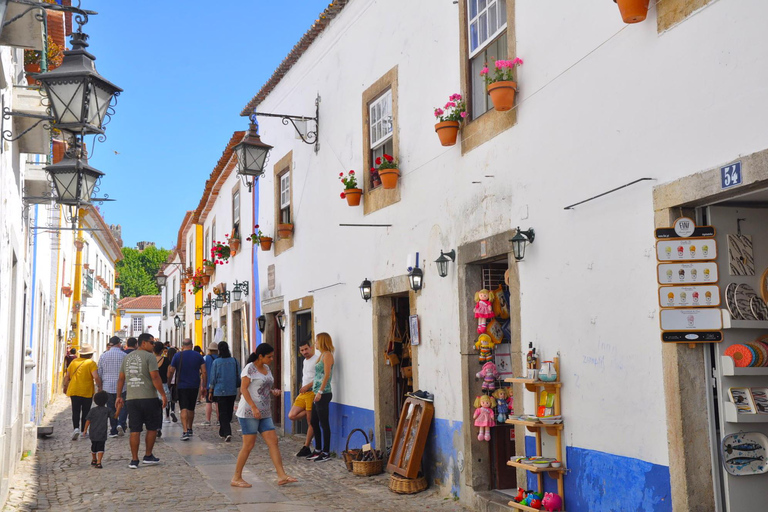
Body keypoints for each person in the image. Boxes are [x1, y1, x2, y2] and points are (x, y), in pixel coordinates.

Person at [231, 343, 297, 488]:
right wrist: (254, 407)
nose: (272, 359)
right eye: (269, 356)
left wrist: (273, 391)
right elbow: (244, 389)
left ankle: (281, 475)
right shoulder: (249, 368)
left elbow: (263, 386)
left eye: (272, 356)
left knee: (273, 442)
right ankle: (236, 477)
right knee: (248, 445)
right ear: (260, 356)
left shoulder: (266, 368)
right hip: (249, 412)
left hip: (265, 411)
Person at [115, 333, 167, 469]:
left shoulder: (127, 357)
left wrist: (119, 396)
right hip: (149, 397)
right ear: (143, 343)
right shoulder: (150, 357)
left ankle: (134, 460)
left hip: (132, 398)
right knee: (151, 428)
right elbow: (155, 377)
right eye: (152, 343)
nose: (153, 345)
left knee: (135, 429)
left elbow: (121, 378)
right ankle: (148, 455)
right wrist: (163, 394)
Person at [63, 344, 102, 440]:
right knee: (86, 411)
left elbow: (67, 376)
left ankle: (75, 429)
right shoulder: (91, 363)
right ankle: (83, 431)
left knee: (75, 411)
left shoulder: (74, 362)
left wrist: (65, 386)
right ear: (90, 354)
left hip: (74, 389)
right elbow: (96, 377)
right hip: (86, 391)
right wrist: (99, 387)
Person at [288, 339, 320, 457]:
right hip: (303, 394)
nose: (304, 352)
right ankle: (308, 412)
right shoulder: (305, 361)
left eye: (306, 349)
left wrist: (307, 386)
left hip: (311, 392)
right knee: (292, 415)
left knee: (310, 421)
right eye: (302, 350)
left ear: (311, 347)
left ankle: (306, 446)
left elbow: (318, 377)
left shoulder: (317, 359)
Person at [169, 339, 206, 440]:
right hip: (194, 385)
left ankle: (185, 431)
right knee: (191, 408)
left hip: (182, 385)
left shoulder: (177, 356)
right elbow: (204, 371)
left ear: (182, 346)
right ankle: (190, 428)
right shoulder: (198, 356)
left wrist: (169, 383)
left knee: (183, 408)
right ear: (192, 345)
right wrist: (204, 386)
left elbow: (171, 371)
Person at [308, 333, 335, 462]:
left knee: (324, 423)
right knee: (314, 421)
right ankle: (318, 449)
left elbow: (327, 375)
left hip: (323, 394)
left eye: (317, 341)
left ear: (323, 342)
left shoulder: (328, 355)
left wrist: (320, 391)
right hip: (317, 393)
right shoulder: (321, 356)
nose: (315, 344)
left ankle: (326, 452)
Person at [208, 341, 239, 442]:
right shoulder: (234, 361)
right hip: (232, 390)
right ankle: (223, 431)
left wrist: (210, 391)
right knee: (229, 412)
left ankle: (227, 432)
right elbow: (238, 375)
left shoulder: (216, 362)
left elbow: (213, 378)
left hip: (220, 390)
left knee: (223, 412)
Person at [98, 336, 128, 438]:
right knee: (123, 406)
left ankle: (113, 429)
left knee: (110, 407)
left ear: (110, 344)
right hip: (122, 385)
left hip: (107, 386)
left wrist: (100, 386)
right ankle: (121, 424)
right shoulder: (124, 355)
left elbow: (100, 372)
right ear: (119, 344)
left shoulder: (103, 356)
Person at [83, 391, 110, 468]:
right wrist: (118, 408)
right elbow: (114, 416)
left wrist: (85, 430)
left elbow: (88, 420)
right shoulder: (107, 410)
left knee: (93, 446)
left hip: (93, 432)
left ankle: (94, 459)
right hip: (102, 432)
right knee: (101, 447)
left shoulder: (92, 410)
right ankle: (99, 462)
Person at [153, 341, 171, 437]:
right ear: (162, 350)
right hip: (163, 385)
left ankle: (152, 426)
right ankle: (158, 427)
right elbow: (168, 374)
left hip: (151, 386)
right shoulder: (166, 360)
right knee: (160, 408)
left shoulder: (150, 359)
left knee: (152, 408)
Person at [202, 342, 219, 426]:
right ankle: (219, 420)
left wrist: (203, 385)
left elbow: (203, 371)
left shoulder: (205, 358)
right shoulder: (220, 358)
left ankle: (208, 420)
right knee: (217, 403)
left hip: (208, 383)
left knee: (208, 402)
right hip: (218, 384)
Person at [165, 347, 178, 422]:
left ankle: (167, 416)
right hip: (175, 383)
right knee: (173, 399)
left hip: (168, 382)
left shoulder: (167, 362)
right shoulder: (176, 362)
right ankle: (173, 411)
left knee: (167, 399)